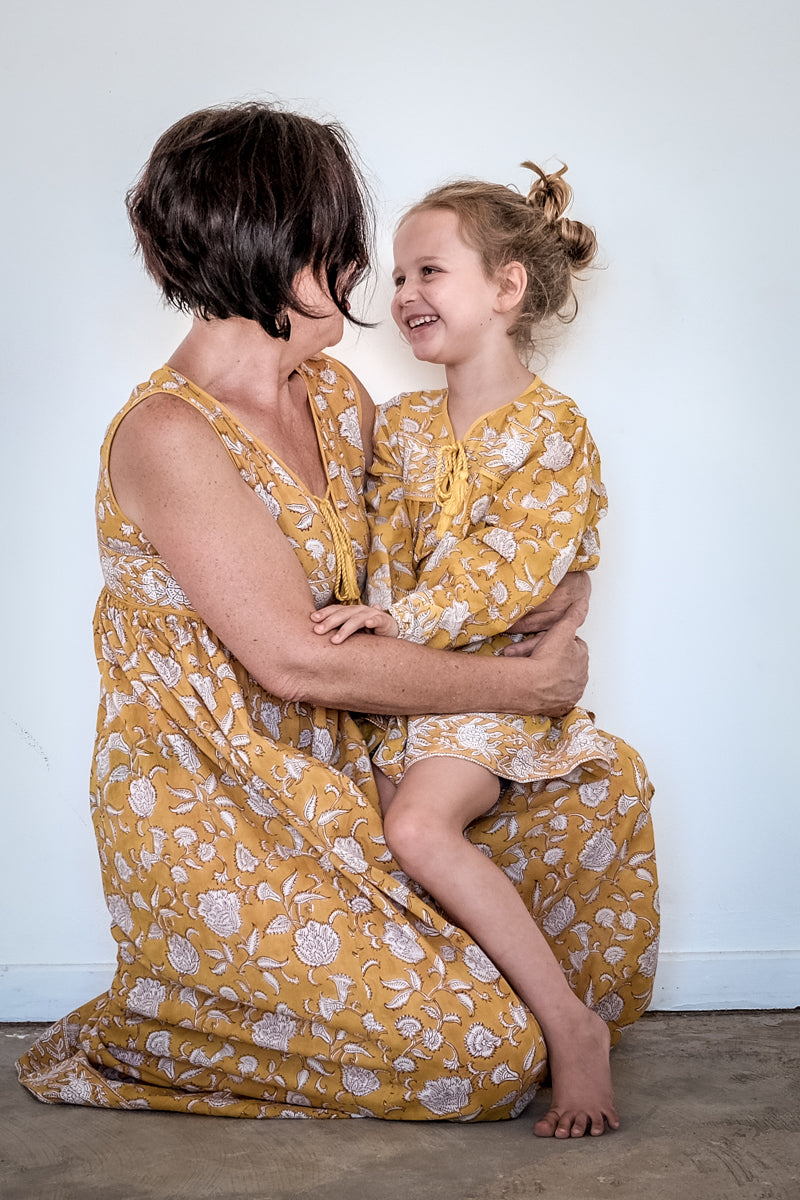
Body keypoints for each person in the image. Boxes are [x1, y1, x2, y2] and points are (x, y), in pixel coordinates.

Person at [16, 103, 658, 1138]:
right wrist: (525, 684)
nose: (363, 272)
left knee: (598, 797)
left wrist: (566, 584)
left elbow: (445, 551)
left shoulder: (337, 398)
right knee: (486, 1062)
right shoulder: (168, 435)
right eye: (338, 244)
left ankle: (507, 1001)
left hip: (354, 764)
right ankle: (166, 1014)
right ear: (266, 246)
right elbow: (297, 665)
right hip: (227, 801)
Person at [311, 163, 628, 1135]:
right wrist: (373, 624)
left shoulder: (551, 429)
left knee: (416, 830)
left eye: (429, 271)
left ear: (505, 288)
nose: (405, 292)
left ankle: (572, 1029)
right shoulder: (402, 426)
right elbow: (373, 547)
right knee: (362, 837)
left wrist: (403, 622)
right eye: (399, 276)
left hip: (491, 689)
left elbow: (513, 568)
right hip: (404, 690)